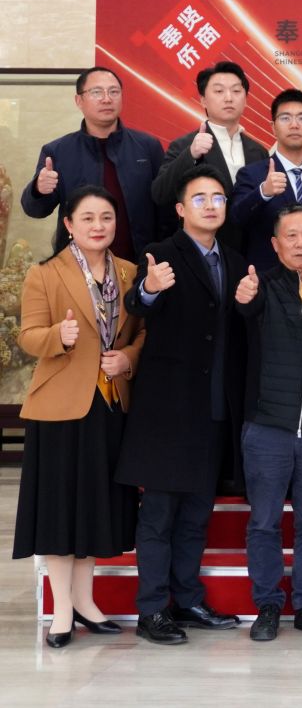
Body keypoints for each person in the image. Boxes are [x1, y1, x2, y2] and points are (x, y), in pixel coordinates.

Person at [119, 166, 247, 644]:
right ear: (179, 209)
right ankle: (152, 609)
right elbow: (138, 303)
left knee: (196, 513)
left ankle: (188, 599)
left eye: (218, 197)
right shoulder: (161, 254)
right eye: (199, 198)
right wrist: (150, 288)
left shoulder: (234, 259)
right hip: (168, 409)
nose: (211, 205)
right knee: (159, 515)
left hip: (214, 408)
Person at [14, 186, 144, 648]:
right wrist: (58, 336)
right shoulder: (45, 273)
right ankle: (62, 610)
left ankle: (86, 602)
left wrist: (128, 359)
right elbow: (27, 336)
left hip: (110, 403)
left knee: (94, 507)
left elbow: (142, 333)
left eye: (106, 217)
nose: (98, 226)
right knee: (59, 509)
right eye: (87, 218)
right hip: (60, 407)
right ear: (68, 224)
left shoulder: (129, 272)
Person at [233, 205, 302, 642]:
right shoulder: (260, 286)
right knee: (264, 522)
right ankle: (268, 605)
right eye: (291, 236)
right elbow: (244, 311)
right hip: (267, 428)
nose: (300, 243)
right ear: (275, 244)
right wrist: (244, 298)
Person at [21, 66, 164, 259]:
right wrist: (39, 189)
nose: (107, 99)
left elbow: (165, 208)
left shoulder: (147, 146)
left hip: (139, 264)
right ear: (79, 100)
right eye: (97, 92)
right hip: (78, 267)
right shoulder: (57, 151)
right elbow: (35, 210)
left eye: (114, 92)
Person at [152, 60, 268, 243]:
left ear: (245, 99)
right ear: (203, 100)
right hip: (203, 247)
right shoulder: (185, 145)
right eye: (219, 91)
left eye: (236, 91)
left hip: (251, 249)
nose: (229, 98)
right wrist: (191, 154)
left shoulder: (259, 152)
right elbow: (160, 194)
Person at [229, 89, 302, 273]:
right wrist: (263, 193)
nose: (294, 125)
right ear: (273, 127)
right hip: (268, 280)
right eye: (285, 118)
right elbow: (235, 218)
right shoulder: (252, 174)